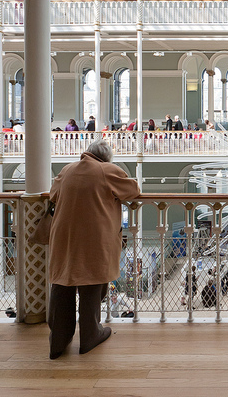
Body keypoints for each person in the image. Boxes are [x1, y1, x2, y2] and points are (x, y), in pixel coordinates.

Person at [48, 139, 139, 359]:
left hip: (63, 236)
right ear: (106, 158)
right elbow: (133, 190)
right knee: (91, 284)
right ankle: (90, 336)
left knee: (62, 284)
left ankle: (58, 342)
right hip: (93, 238)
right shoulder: (107, 170)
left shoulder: (67, 170)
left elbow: (53, 194)